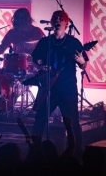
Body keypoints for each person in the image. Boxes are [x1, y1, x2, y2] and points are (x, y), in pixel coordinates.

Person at [30, 10, 88, 155]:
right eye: (55, 18)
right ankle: (34, 151)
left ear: (66, 23)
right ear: (51, 22)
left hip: (67, 89)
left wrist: (81, 62)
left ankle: (77, 153)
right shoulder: (46, 42)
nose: (58, 20)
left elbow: (84, 63)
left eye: (61, 19)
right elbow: (34, 58)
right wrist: (40, 66)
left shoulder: (73, 43)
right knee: (40, 120)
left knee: (72, 121)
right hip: (49, 88)